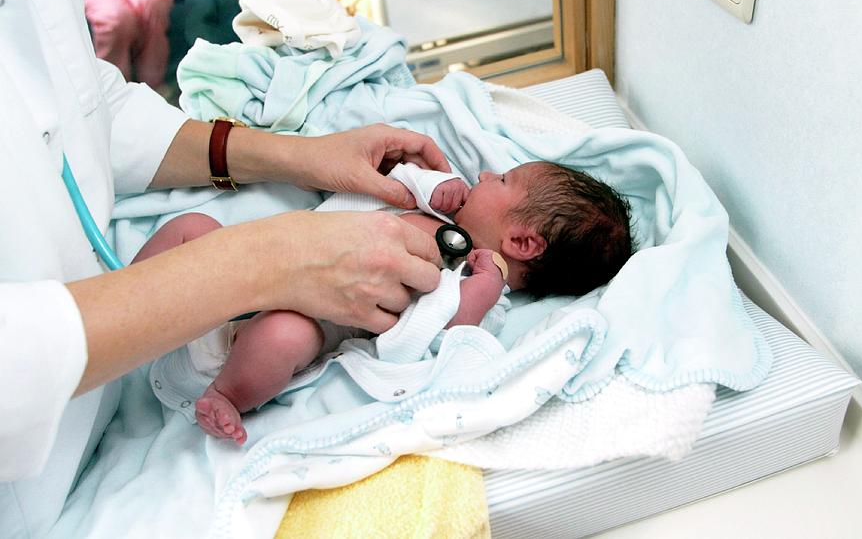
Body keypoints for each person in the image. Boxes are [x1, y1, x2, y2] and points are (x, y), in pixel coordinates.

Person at [1, 0, 447, 535]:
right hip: (32, 472)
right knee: (260, 304)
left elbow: (80, 105)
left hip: (120, 373)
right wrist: (263, 262)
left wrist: (297, 156)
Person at [136, 161, 633, 444]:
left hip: (300, 319)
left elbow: (435, 343)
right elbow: (388, 182)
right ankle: (125, 299)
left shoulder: (481, 289)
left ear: (523, 243)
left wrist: (475, 297)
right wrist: (428, 186)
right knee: (193, 230)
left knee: (285, 333)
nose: (484, 174)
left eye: (501, 181)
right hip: (258, 266)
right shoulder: (437, 206)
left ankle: (227, 394)